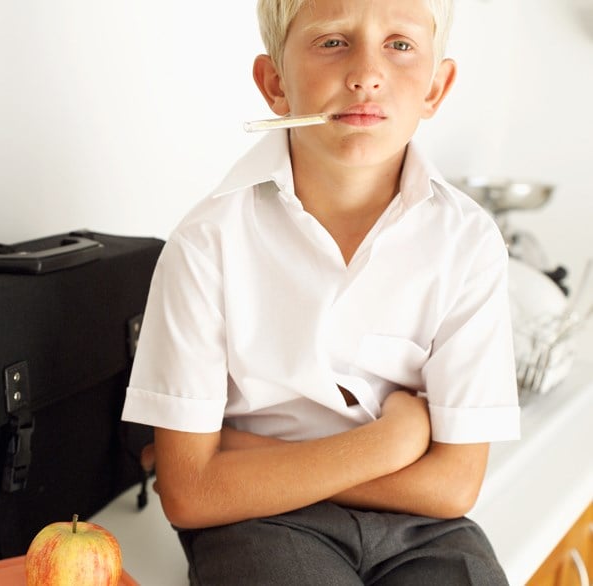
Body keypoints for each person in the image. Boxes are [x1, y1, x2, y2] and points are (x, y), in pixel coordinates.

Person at [122, 0, 521, 583]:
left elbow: (455, 485)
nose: (366, 73)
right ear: (275, 84)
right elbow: (189, 494)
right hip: (260, 519)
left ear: (436, 87)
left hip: (421, 527)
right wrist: (393, 441)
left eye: (400, 45)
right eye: (333, 42)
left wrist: (246, 458)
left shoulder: (468, 241)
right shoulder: (206, 243)